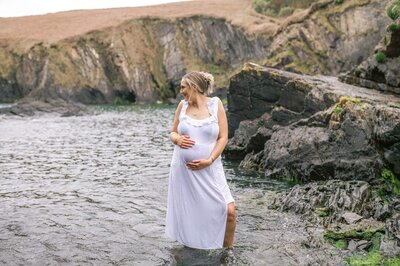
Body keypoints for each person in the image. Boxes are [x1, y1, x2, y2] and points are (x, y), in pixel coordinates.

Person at [165, 71, 236, 252]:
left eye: (183, 87)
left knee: (229, 212)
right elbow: (173, 132)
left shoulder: (215, 105)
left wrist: (210, 160)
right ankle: (194, 247)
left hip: (211, 167)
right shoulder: (182, 106)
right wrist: (177, 139)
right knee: (193, 212)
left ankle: (226, 255)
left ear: (193, 87)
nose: (180, 91)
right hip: (185, 171)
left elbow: (223, 137)